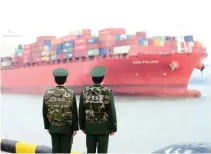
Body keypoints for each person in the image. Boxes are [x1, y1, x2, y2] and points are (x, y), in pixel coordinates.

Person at [79, 66, 117, 153]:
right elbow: (111, 111)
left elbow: (81, 110)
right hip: (104, 128)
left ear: (92, 79)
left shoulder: (84, 91)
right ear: (103, 78)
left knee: (90, 151)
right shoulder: (107, 92)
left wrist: (82, 126)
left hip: (89, 127)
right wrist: (113, 128)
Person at [42, 68, 78, 153]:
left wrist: (47, 126)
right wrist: (75, 128)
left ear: (54, 80)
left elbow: (44, 111)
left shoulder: (48, 93)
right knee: (66, 151)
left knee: (56, 151)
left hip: (53, 127)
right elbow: (74, 113)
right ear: (66, 80)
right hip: (67, 129)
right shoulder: (71, 93)